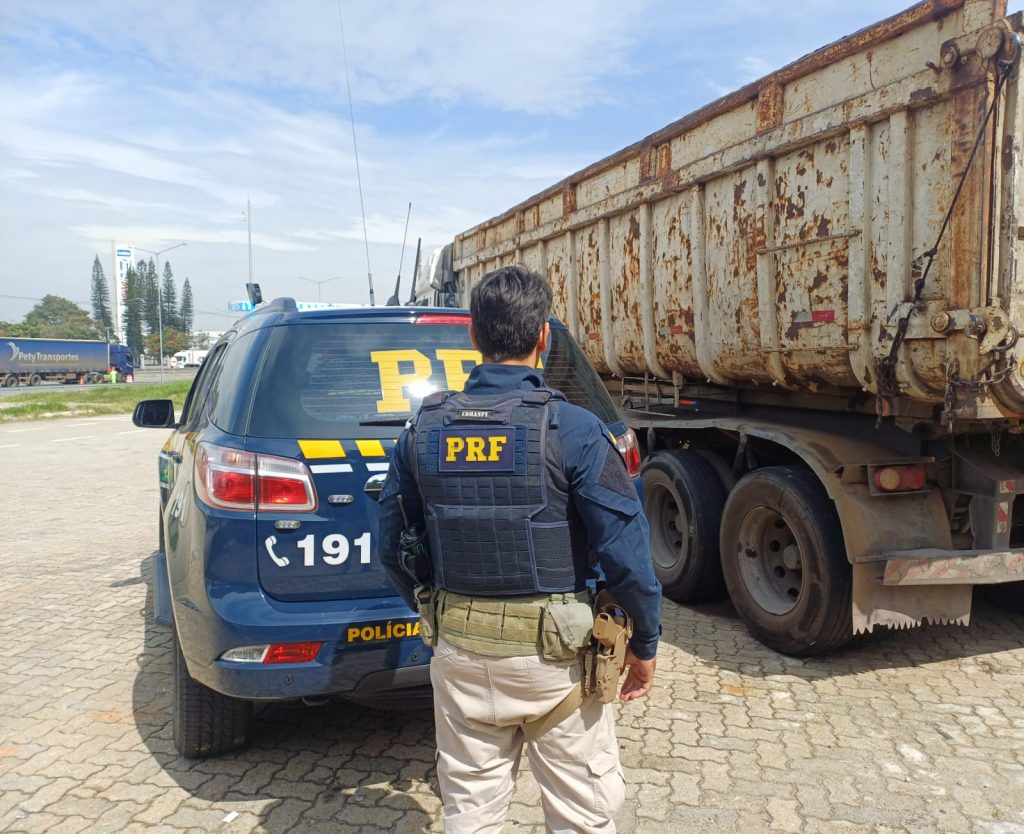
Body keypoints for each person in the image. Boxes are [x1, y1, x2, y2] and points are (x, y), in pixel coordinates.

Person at [376, 265, 661, 834]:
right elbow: (628, 557)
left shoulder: (423, 430)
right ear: (544, 339)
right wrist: (646, 643)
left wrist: (437, 607)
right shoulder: (575, 430)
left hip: (458, 653)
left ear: (474, 339)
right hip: (558, 663)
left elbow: (391, 544)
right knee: (584, 816)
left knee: (471, 812)